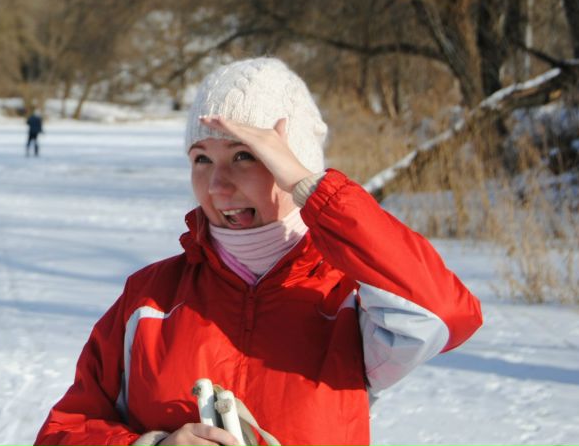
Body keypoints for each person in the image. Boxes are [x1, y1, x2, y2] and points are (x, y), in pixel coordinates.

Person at [35, 57, 482, 446]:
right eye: (201, 159)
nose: (217, 185)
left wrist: (308, 185)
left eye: (244, 156)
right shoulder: (150, 300)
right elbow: (64, 431)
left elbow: (442, 313)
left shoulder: (354, 300)